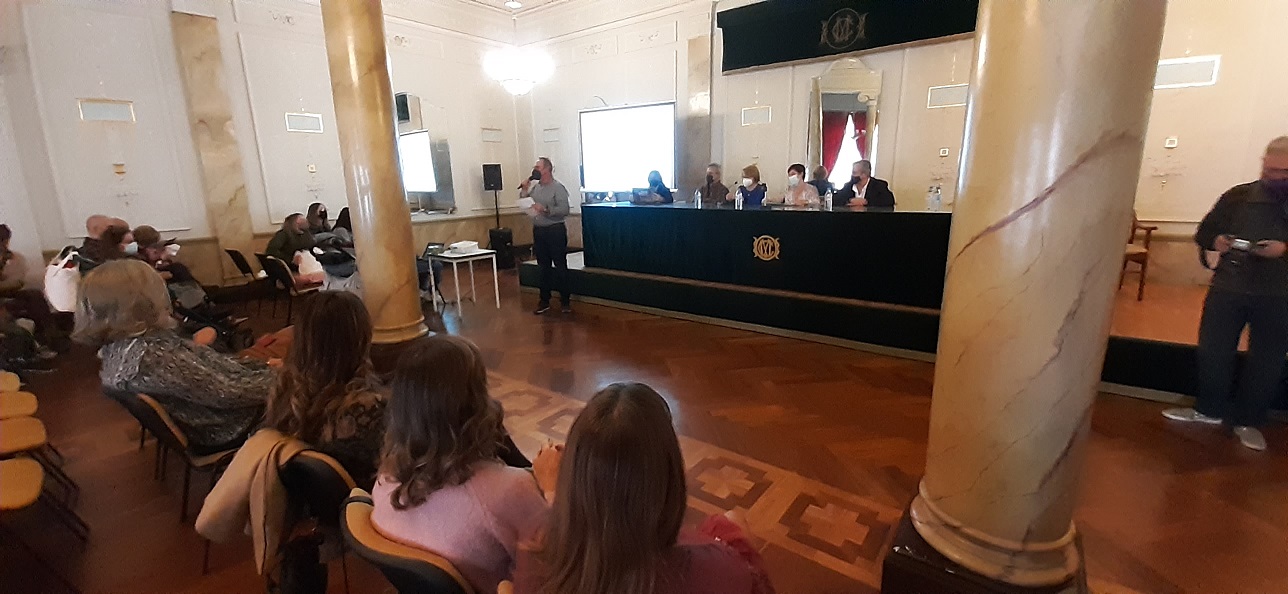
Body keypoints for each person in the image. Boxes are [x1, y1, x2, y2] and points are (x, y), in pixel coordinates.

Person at [513, 382, 775, 594]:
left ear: (576, 475)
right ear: (669, 477)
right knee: (731, 522)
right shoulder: (720, 570)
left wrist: (552, 493)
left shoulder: (536, 562)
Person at [372, 335, 559, 593]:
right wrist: (552, 488)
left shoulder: (384, 481)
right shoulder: (510, 490)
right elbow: (558, 566)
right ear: (477, 403)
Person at [1163, 136, 1288, 451]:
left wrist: (1283, 250)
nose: (1273, 177)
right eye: (1269, 169)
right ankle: (1209, 410)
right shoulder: (1238, 196)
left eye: (1282, 172)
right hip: (1229, 287)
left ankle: (1249, 420)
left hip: (1279, 294)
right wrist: (1217, 241)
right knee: (1213, 351)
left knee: (1267, 360)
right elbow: (1205, 231)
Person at [75, 259, 270, 452]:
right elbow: (228, 393)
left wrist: (263, 366)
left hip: (220, 411)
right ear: (139, 303)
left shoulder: (120, 348)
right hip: (232, 425)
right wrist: (282, 376)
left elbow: (212, 374)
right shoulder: (152, 356)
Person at [264, 291, 385, 487]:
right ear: (360, 339)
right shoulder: (367, 410)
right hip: (363, 500)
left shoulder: (284, 392)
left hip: (314, 501)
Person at [520, 157, 572, 315]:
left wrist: (546, 209)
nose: (534, 169)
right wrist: (524, 190)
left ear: (547, 169)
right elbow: (527, 203)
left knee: (560, 266)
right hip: (539, 231)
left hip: (555, 231)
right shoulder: (536, 188)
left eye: (538, 167)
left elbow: (564, 210)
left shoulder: (558, 188)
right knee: (543, 268)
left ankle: (565, 301)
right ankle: (544, 301)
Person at [0, 224, 59, 354]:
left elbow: (18, 282)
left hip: (8, 294)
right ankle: (44, 342)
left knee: (34, 296)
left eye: (4, 241)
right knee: (32, 302)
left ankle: (48, 339)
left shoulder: (14, 258)